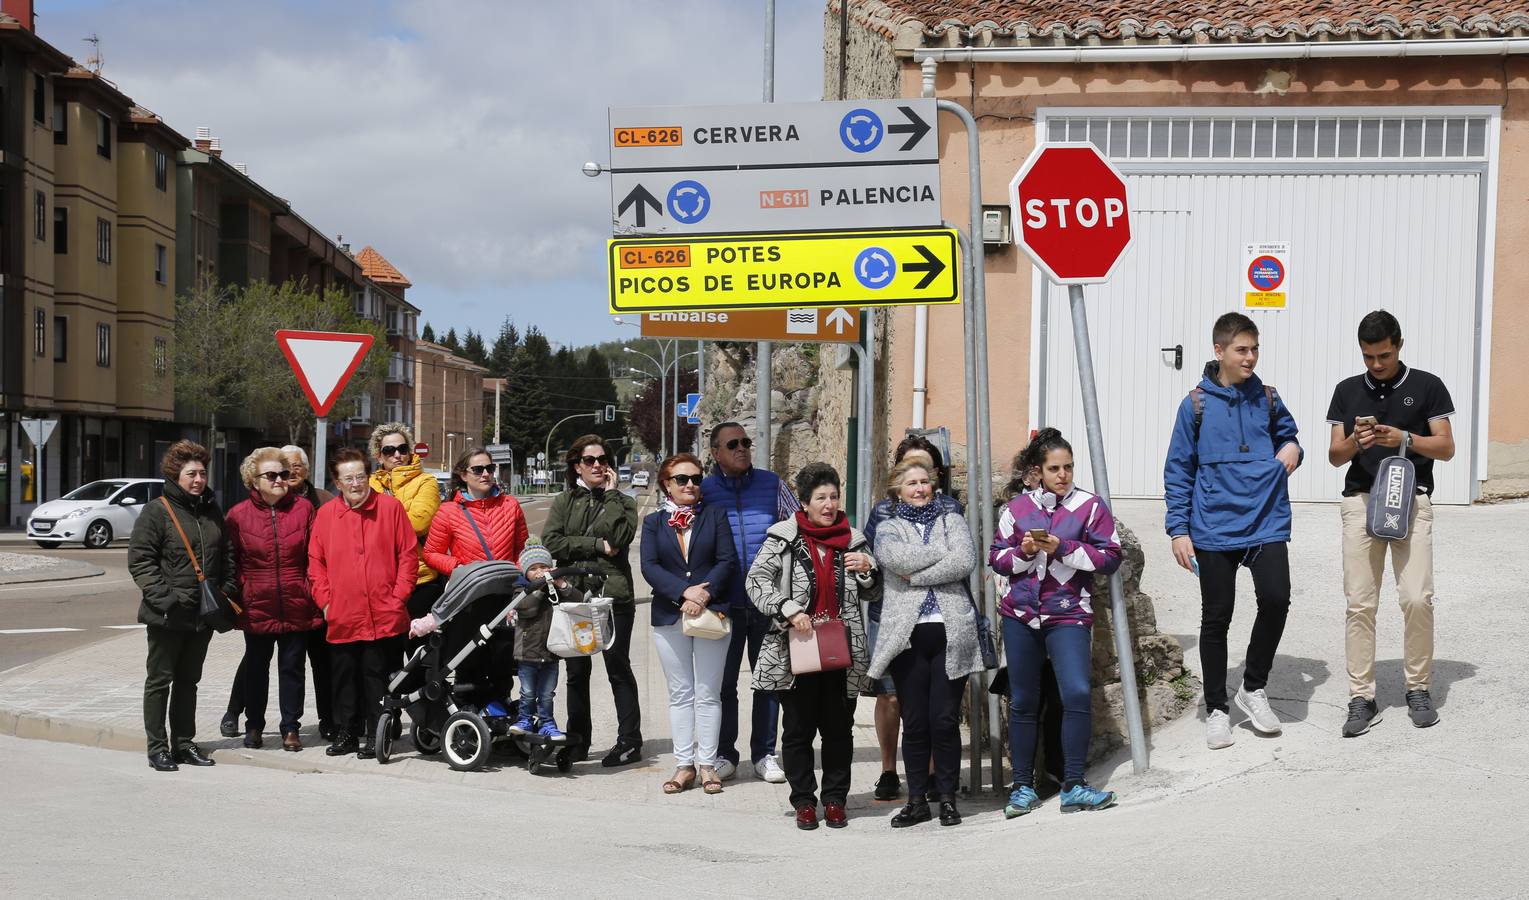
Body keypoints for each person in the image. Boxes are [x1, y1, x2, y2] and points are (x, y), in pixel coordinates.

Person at [1164, 312, 1303, 750]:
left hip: (1265, 519)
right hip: (1213, 525)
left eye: (1255, 348)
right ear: (1219, 350)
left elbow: (1290, 437)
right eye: (1242, 349)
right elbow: (1179, 470)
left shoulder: (1268, 397)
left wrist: (1291, 452)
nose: (1251, 357)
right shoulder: (1196, 405)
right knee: (1216, 617)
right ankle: (1218, 709)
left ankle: (1253, 687)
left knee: (1277, 599)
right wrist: (1178, 530)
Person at [1326, 310, 1454, 736]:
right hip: (1360, 501)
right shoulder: (1346, 391)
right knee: (1360, 603)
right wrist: (1355, 441)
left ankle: (1418, 688)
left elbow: (1447, 447)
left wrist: (1403, 438)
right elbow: (1334, 456)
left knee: (1417, 598)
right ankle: (1361, 697)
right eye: (1367, 357)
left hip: (1411, 499)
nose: (1376, 365)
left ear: (1399, 344)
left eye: (1382, 355)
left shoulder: (1427, 385)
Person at [990, 429, 1122, 816]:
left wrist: (1063, 548)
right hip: (1021, 615)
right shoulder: (1016, 509)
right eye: (1054, 468)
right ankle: (1022, 788)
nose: (1063, 475)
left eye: (1068, 467)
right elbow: (997, 560)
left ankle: (1075, 785)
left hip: (1068, 613)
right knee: (1025, 700)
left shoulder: (1090, 506)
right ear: (1038, 471)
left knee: (1077, 693)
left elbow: (1110, 558)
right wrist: (1025, 551)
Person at [746, 463, 877, 830]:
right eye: (821, 498)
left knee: (838, 729)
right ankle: (804, 801)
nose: (829, 504)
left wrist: (867, 568)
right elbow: (755, 581)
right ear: (804, 503)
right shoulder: (783, 538)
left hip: (841, 648)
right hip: (796, 648)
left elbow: (873, 589)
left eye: (834, 496)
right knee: (799, 730)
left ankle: (835, 799)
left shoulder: (853, 539)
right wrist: (787, 608)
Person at [868, 458, 982, 828]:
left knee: (944, 719)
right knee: (915, 721)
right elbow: (891, 557)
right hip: (907, 635)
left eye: (924, 482)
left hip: (951, 631)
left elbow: (964, 561)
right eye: (911, 483)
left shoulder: (953, 520)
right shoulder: (888, 528)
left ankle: (947, 798)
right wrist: (941, 555)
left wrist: (913, 577)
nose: (919, 489)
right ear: (898, 490)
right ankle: (916, 800)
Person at [700, 421, 799, 784]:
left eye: (745, 442)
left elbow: (797, 529)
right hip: (723, 604)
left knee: (768, 681)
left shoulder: (772, 484)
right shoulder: (705, 490)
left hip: (768, 603)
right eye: (732, 444)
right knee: (723, 685)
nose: (742, 448)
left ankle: (765, 754)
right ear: (715, 453)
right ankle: (725, 754)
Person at [129, 440, 236, 772]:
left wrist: (226, 592)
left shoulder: (211, 511)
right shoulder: (157, 511)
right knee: (160, 680)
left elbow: (228, 558)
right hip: (167, 615)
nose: (198, 479)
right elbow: (141, 562)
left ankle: (184, 743)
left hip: (201, 616)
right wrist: (167, 601)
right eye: (191, 473)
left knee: (189, 681)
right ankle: (157, 747)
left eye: (202, 473)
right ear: (176, 476)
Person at [308, 447, 418, 758]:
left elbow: (408, 555)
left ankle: (376, 734)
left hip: (383, 612)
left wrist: (398, 597)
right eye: (348, 478)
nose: (356, 483)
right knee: (344, 677)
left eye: (360, 476)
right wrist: (326, 602)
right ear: (337, 482)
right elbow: (316, 563)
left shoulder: (390, 508)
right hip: (342, 613)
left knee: (376, 678)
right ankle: (346, 732)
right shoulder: (326, 515)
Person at [640, 453, 738, 795]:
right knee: (681, 693)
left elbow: (727, 560)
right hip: (670, 614)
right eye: (682, 479)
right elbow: (650, 567)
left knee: (709, 693)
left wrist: (702, 596)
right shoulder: (653, 523)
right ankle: (684, 766)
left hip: (711, 613)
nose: (691, 485)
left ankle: (708, 765)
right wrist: (684, 593)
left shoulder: (715, 516)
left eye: (696, 478)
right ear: (667, 483)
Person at [543, 434, 642, 766]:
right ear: (577, 466)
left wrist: (613, 494)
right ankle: (578, 741)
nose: (598, 465)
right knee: (576, 670)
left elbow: (619, 537)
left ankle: (629, 740)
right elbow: (553, 542)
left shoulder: (624, 501)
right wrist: (596, 546)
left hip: (613, 596)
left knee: (617, 667)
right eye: (590, 460)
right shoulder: (564, 501)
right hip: (574, 595)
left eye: (603, 459)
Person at [223, 448, 322, 752]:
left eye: (283, 474)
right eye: (271, 475)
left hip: (297, 599)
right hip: (257, 602)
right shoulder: (238, 515)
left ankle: (290, 728)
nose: (280, 480)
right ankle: (254, 725)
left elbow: (316, 555)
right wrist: (244, 588)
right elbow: (231, 560)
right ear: (254, 480)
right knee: (256, 668)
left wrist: (308, 587)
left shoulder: (304, 509)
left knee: (292, 668)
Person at [423, 447, 530, 707]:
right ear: (462, 474)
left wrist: (520, 572)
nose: (486, 474)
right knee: (469, 656)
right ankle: (468, 712)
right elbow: (431, 553)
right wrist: (459, 567)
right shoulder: (449, 511)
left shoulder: (510, 505)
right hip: (469, 598)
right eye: (478, 469)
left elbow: (522, 548)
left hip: (505, 596)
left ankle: (500, 709)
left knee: (502, 657)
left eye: (489, 469)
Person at [283, 443, 333, 739]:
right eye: (285, 466)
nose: (290, 472)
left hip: (317, 592)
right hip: (286, 594)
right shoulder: (273, 498)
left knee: (322, 662)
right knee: (270, 660)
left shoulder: (324, 500)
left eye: (297, 466)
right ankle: (237, 711)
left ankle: (328, 719)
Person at [370, 423, 443, 623]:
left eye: (402, 449)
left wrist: (375, 527)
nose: (397, 455)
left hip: (420, 578)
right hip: (380, 580)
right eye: (389, 450)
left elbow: (418, 523)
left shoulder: (426, 481)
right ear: (379, 456)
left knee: (418, 648)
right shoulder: (370, 484)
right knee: (386, 650)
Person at [509, 539, 580, 744]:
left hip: (551, 652)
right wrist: (539, 587)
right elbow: (527, 607)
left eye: (544, 567)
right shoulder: (521, 589)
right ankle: (524, 720)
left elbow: (578, 600)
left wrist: (562, 584)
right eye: (533, 569)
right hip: (527, 652)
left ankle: (547, 723)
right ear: (525, 573)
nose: (539, 572)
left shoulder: (555, 588)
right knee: (528, 692)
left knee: (547, 694)